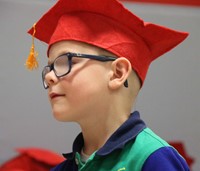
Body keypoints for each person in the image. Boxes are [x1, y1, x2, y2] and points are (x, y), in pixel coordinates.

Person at [25, 0, 190, 170]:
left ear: (118, 73)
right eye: (50, 68)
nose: (50, 76)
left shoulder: (152, 159)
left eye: (66, 61)